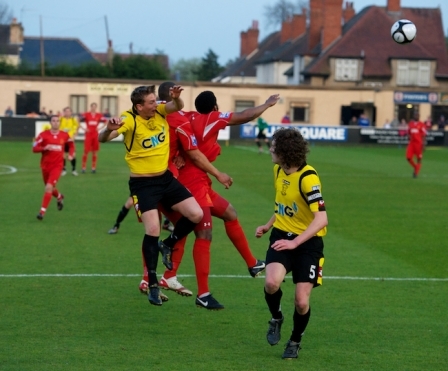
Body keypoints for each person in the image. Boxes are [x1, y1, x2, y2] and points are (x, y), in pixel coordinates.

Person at [158, 89, 280, 310]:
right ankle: (201, 293)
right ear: (214, 107)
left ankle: (252, 264)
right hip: (193, 183)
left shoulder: (187, 116)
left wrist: (175, 155)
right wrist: (267, 104)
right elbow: (246, 115)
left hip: (199, 180)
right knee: (203, 233)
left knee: (230, 213)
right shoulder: (212, 118)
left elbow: (173, 130)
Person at [98, 84, 203, 307]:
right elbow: (103, 139)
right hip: (142, 184)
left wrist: (177, 98)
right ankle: (153, 285)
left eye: (156, 100)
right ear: (139, 106)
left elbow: (177, 106)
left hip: (165, 179)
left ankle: (169, 243)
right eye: (151, 102)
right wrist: (108, 129)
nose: (156, 104)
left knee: (196, 214)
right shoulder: (129, 119)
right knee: (152, 229)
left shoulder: (160, 110)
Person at [255, 127, 328, 360]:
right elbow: (283, 206)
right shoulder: (278, 170)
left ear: (286, 151)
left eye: (274, 147)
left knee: (301, 300)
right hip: (281, 236)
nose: (270, 150)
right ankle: (276, 317)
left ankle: (295, 341)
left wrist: (296, 242)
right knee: (271, 284)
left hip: (307, 243)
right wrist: (268, 225)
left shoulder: (308, 178)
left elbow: (322, 218)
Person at [32, 115, 74, 220]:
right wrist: (44, 147)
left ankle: (42, 212)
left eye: (57, 121)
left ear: (59, 123)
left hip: (57, 166)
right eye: (53, 121)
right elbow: (34, 148)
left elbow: (71, 145)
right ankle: (59, 197)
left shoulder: (64, 135)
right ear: (50, 123)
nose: (55, 122)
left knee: (48, 187)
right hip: (45, 166)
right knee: (50, 188)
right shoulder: (43, 135)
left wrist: (71, 154)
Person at [107, 196, 174, 235]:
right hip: (139, 183)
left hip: (154, 182)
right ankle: (116, 225)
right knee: (129, 203)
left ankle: (166, 224)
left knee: (165, 201)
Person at [80, 103, 106, 173]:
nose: (94, 108)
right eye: (92, 107)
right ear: (90, 107)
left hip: (95, 134)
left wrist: (100, 128)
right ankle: (83, 167)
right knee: (86, 151)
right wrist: (84, 129)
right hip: (88, 134)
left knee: (95, 151)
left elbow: (106, 121)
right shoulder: (86, 114)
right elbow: (78, 120)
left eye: (95, 107)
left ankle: (93, 168)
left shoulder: (99, 115)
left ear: (96, 107)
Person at [59, 107, 79, 176]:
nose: (67, 113)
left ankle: (74, 170)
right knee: (63, 155)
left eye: (69, 111)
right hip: (63, 140)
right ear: (64, 112)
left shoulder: (73, 120)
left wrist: (74, 136)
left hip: (70, 139)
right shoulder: (60, 119)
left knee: (73, 155)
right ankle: (63, 170)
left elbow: (76, 128)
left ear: (71, 112)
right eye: (66, 111)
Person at [406, 113, 427, 178]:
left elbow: (424, 135)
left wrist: (423, 144)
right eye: (415, 115)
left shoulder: (422, 124)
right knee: (408, 158)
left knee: (419, 159)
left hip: (418, 144)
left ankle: (416, 173)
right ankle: (415, 167)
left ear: (419, 117)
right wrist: (408, 137)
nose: (416, 116)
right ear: (413, 116)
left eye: (418, 115)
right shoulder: (410, 124)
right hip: (411, 143)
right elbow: (409, 132)